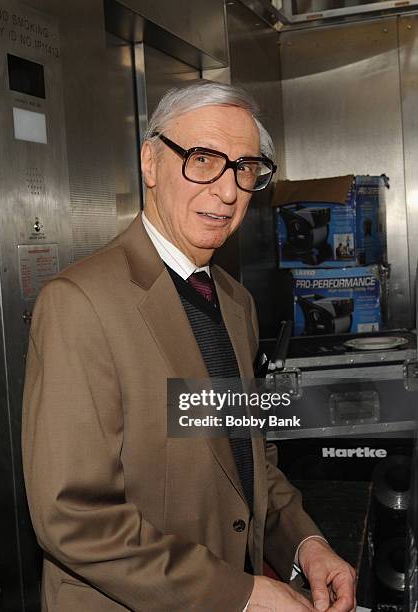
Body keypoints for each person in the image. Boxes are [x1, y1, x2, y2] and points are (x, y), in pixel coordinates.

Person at [22, 80, 356, 611]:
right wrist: (240, 593)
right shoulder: (80, 303)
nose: (228, 191)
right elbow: (76, 518)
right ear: (150, 163)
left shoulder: (233, 301)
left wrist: (303, 543)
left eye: (245, 168)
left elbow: (248, 459)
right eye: (202, 159)